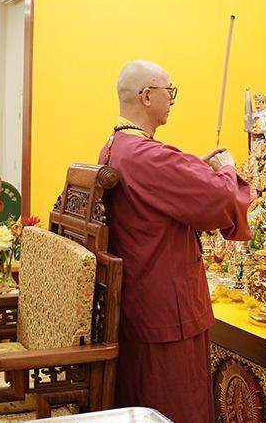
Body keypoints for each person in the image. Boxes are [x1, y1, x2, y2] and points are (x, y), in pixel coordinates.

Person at [98, 60, 252, 423]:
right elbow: (220, 199)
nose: (172, 99)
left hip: (139, 302)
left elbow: (157, 191)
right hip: (167, 310)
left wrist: (192, 168)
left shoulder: (116, 146)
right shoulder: (149, 155)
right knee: (177, 407)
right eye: (170, 91)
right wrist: (227, 168)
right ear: (147, 96)